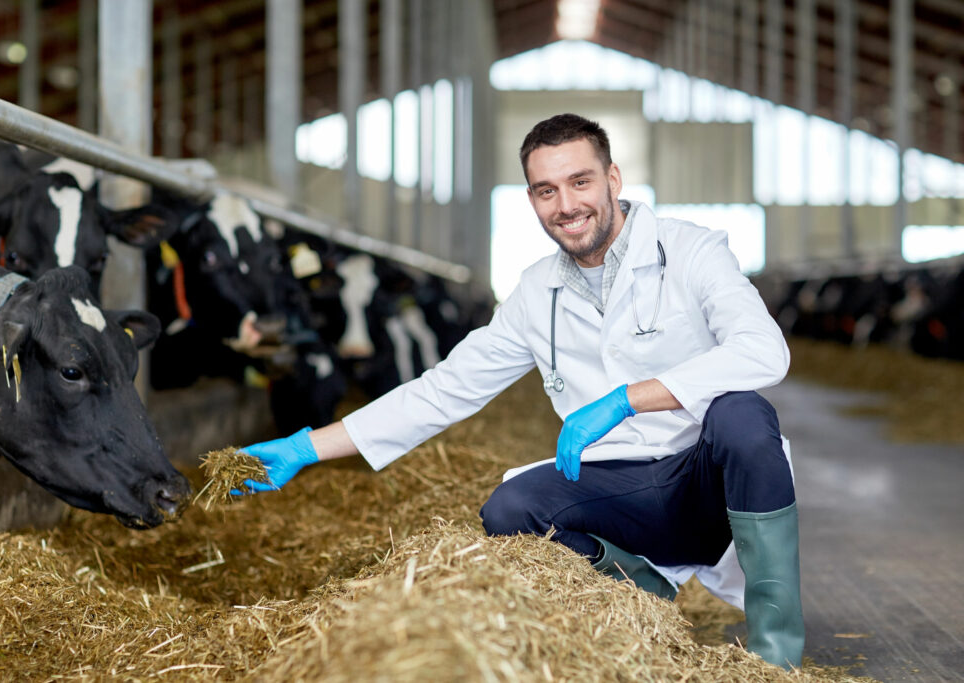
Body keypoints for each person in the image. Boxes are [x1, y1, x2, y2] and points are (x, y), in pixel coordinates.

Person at [237, 113, 804, 670]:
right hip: (619, 489)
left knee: (744, 414)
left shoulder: (692, 251)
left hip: (707, 482)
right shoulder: (537, 292)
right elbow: (444, 390)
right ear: (532, 200)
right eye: (545, 191)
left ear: (612, 180)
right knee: (511, 508)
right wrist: (307, 446)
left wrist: (626, 398)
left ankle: (775, 653)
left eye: (580, 182)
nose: (566, 205)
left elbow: (763, 352)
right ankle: (646, 595)